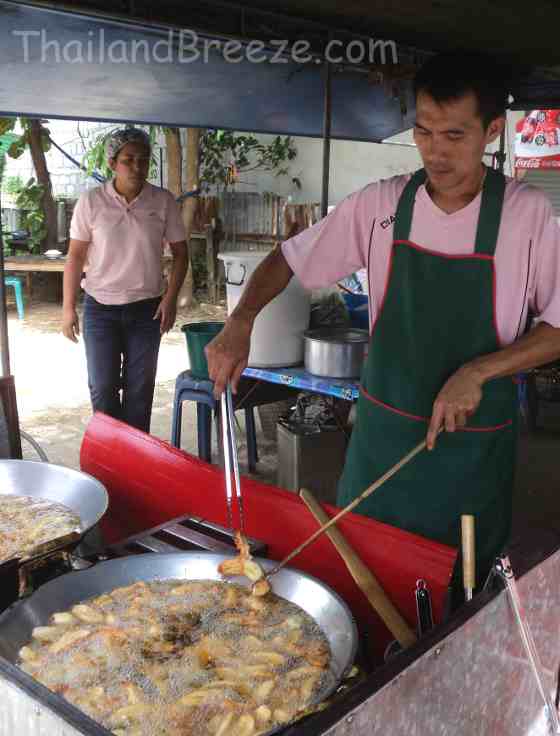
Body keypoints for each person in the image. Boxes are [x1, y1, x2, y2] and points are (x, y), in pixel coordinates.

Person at [206, 54, 560, 592]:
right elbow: (289, 258)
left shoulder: (527, 216)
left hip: (471, 448)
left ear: (492, 131)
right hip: (384, 437)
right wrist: (241, 320)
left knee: (457, 593)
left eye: (454, 135)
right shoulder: (382, 205)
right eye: (423, 131)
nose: (435, 151)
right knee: (362, 572)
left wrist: (481, 371)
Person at [62, 127, 188, 433]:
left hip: (147, 310)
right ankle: (109, 456)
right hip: (100, 309)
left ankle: (134, 463)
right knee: (103, 388)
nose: (137, 166)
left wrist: (170, 300)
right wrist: (68, 308)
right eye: (128, 159)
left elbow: (182, 254)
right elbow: (75, 257)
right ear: (112, 163)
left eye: (143, 160)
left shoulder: (162, 201)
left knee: (140, 392)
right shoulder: (91, 202)